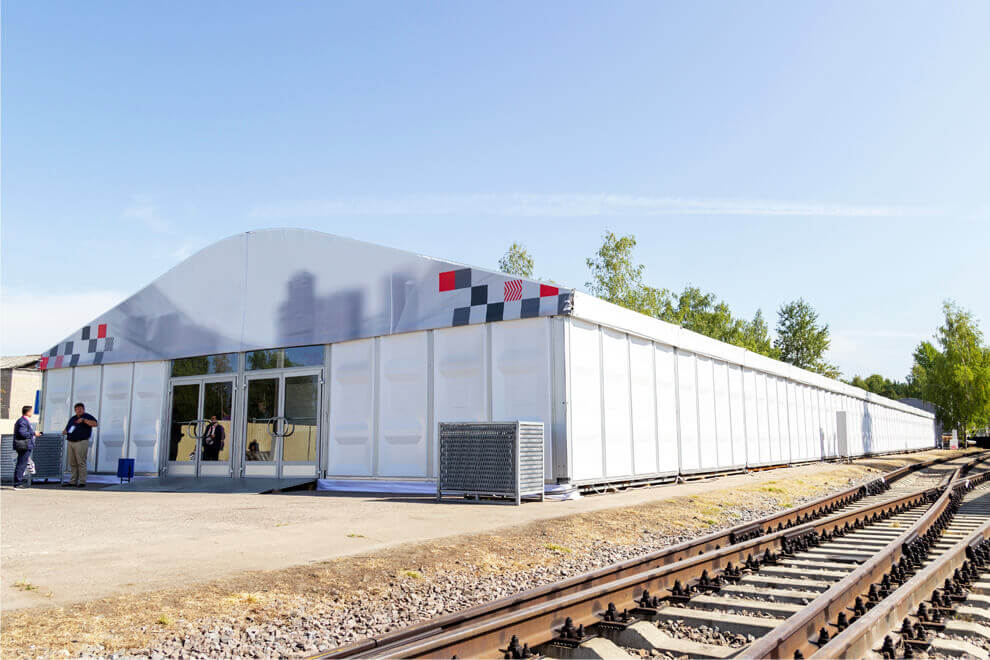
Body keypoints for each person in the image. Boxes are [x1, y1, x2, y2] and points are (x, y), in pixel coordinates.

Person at [63, 403, 98, 487]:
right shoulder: (73, 418)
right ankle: (73, 481)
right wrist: (65, 431)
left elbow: (95, 424)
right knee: (72, 462)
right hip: (71, 441)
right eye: (77, 409)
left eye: (80, 408)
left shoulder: (87, 416)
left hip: (81, 442)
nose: (79, 410)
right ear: (75, 410)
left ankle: (82, 481)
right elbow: (67, 428)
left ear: (83, 409)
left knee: (81, 462)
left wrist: (84, 421)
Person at [12, 405, 41, 489]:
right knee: (21, 464)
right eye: (31, 411)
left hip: (24, 445)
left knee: (22, 463)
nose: (32, 413)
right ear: (28, 412)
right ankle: (17, 483)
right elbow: (22, 433)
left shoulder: (23, 421)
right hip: (23, 445)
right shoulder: (23, 421)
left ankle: (18, 482)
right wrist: (33, 433)